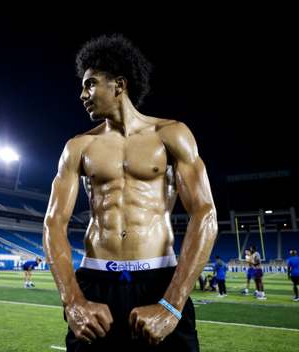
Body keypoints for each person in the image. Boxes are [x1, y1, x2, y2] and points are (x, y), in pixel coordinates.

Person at [43, 34, 218, 351]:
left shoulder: (172, 134)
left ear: (119, 84)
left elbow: (205, 213)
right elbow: (53, 223)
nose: (83, 94)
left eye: (90, 84)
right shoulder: (78, 146)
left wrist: (172, 304)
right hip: (95, 283)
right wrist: (72, 302)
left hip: (160, 281)